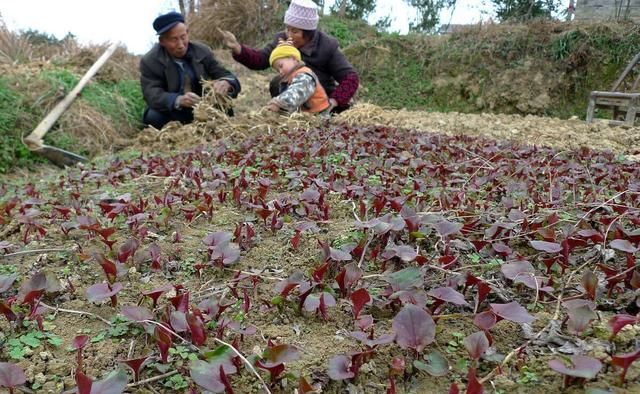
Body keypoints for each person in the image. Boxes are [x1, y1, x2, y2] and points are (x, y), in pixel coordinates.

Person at [219, 0, 358, 113]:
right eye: (287, 28)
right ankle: (285, 113)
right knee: (276, 83)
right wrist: (238, 48)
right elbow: (261, 59)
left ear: (308, 33)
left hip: (321, 102)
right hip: (293, 101)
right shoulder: (282, 40)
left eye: (295, 31)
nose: (289, 35)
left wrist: (334, 101)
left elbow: (350, 78)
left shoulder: (327, 46)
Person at [140, 11, 241, 129]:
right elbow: (151, 93)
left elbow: (225, 74)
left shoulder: (202, 51)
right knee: (153, 117)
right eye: (174, 40)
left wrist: (227, 82)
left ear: (187, 33)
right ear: (162, 41)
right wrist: (178, 100)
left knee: (225, 108)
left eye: (183, 37)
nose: (181, 44)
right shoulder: (150, 61)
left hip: (204, 108)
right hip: (174, 112)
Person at [265, 42, 330, 115]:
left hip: (319, 115)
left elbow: (296, 92)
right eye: (277, 70)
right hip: (306, 116)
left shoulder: (305, 75)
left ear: (293, 58)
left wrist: (279, 103)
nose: (280, 71)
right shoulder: (289, 77)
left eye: (281, 66)